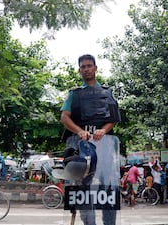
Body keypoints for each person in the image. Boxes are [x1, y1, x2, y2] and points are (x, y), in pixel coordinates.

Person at [60, 54, 121, 225]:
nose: (86, 69)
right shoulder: (74, 94)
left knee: (108, 188)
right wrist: (79, 131)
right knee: (82, 190)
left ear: (95, 68)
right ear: (80, 71)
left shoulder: (107, 93)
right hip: (81, 149)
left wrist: (103, 130)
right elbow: (64, 118)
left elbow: (114, 118)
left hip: (104, 147)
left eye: (89, 65)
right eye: (83, 67)